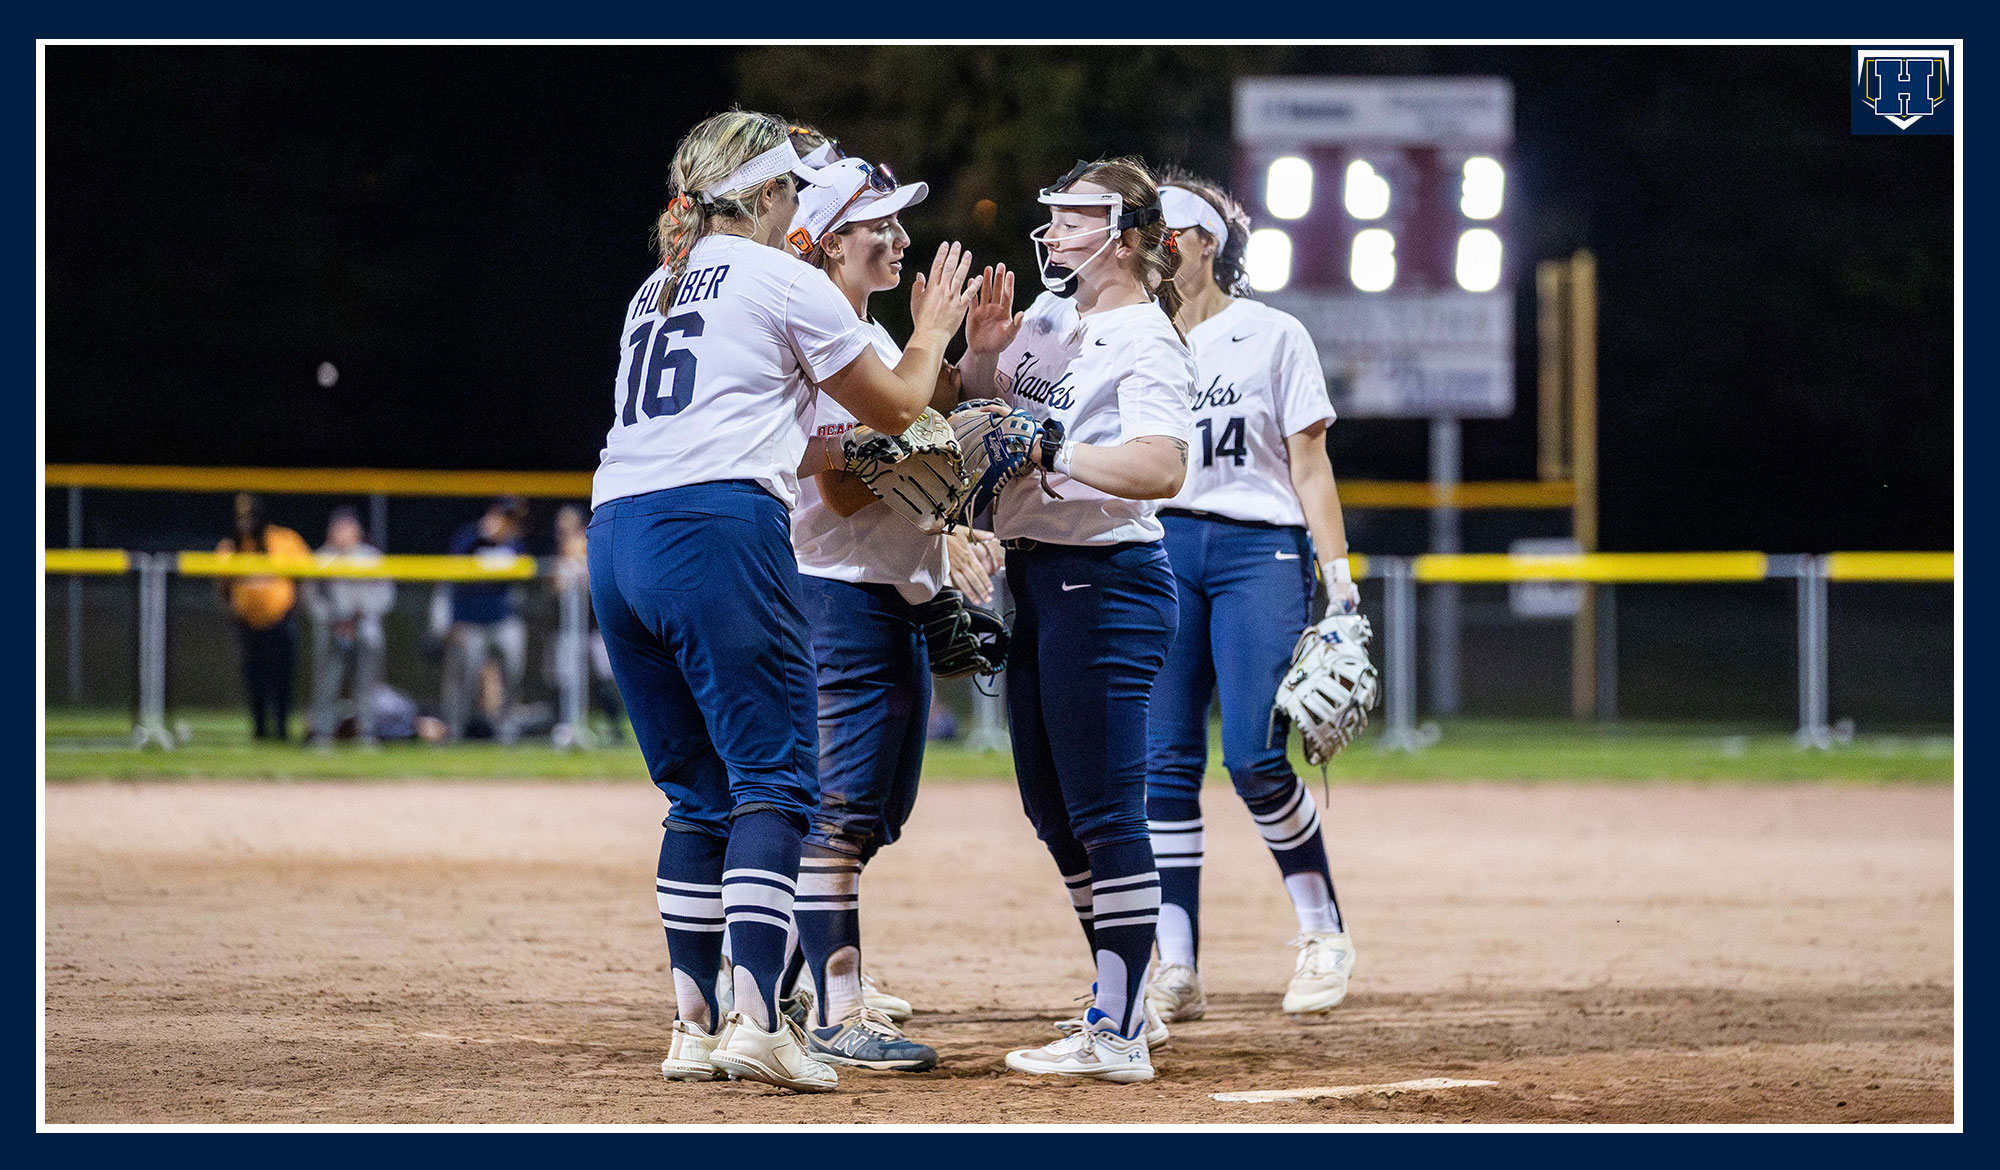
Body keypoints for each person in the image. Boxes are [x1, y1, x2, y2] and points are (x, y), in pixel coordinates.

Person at [587, 109, 975, 1093]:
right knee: (775, 784)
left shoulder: (656, 281)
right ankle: (759, 1021)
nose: (798, 207)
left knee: (695, 795)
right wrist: (930, 334)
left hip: (615, 531)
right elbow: (897, 407)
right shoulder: (777, 275)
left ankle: (692, 1025)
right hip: (713, 524)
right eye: (791, 191)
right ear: (763, 196)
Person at [959, 157, 1196, 1083]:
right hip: (1042, 575)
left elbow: (1160, 468)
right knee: (1052, 808)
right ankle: (1122, 994)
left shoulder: (1145, 338)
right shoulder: (1055, 317)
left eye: (1075, 217)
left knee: (1102, 809)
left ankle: (1121, 1025)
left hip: (1108, 579)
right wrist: (981, 356)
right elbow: (981, 413)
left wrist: (1057, 444)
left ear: (1130, 236)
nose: (1052, 230)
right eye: (1052, 213)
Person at [1141, 171, 1364, 1024]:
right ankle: (1177, 966)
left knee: (1254, 757)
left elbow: (1309, 466)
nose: (1157, 246)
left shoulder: (1272, 333)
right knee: (1163, 767)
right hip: (1162, 546)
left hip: (1255, 549)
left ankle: (1323, 931)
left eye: (1171, 231)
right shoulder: (1134, 336)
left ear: (1207, 244)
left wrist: (1338, 585)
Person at [781, 145, 964, 1073]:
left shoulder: (869, 338)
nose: (896, 238)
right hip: (839, 596)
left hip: (888, 594)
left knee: (876, 811)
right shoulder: (825, 338)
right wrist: (935, 351)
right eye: (875, 224)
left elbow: (913, 440)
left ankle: (790, 974)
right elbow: (850, 493)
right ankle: (836, 1005)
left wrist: (974, 371)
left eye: (896, 220)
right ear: (824, 245)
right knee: (843, 814)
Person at [214, 493, 311, 741]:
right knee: (254, 678)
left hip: (281, 621)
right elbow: (222, 586)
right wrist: (234, 611)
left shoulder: (284, 539)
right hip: (247, 624)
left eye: (251, 516)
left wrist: (294, 608)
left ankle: (281, 730)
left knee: (282, 678)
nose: (246, 522)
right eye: (241, 517)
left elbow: (306, 575)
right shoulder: (231, 546)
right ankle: (259, 730)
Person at [305, 506, 395, 745]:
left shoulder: (371, 557)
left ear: (357, 530)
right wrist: (330, 617)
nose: (343, 532)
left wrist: (363, 611)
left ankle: (366, 733)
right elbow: (311, 596)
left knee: (366, 685)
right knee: (327, 683)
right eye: (338, 527)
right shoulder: (322, 558)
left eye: (348, 527)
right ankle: (322, 734)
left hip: (365, 627)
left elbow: (387, 596)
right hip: (333, 628)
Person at [441, 496, 528, 744]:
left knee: (513, 668)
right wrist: (481, 535)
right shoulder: (468, 538)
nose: (508, 524)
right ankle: (455, 732)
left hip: (502, 621)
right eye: (505, 517)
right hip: (470, 621)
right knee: (466, 677)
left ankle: (506, 729)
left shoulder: (514, 544)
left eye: (512, 520)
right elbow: (451, 575)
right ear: (493, 514)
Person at [549, 504, 625, 744]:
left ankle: (616, 727)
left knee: (608, 676)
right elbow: (556, 587)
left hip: (598, 626)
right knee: (565, 676)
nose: (565, 531)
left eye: (570, 526)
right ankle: (566, 725)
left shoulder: (593, 542)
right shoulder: (560, 552)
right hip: (569, 629)